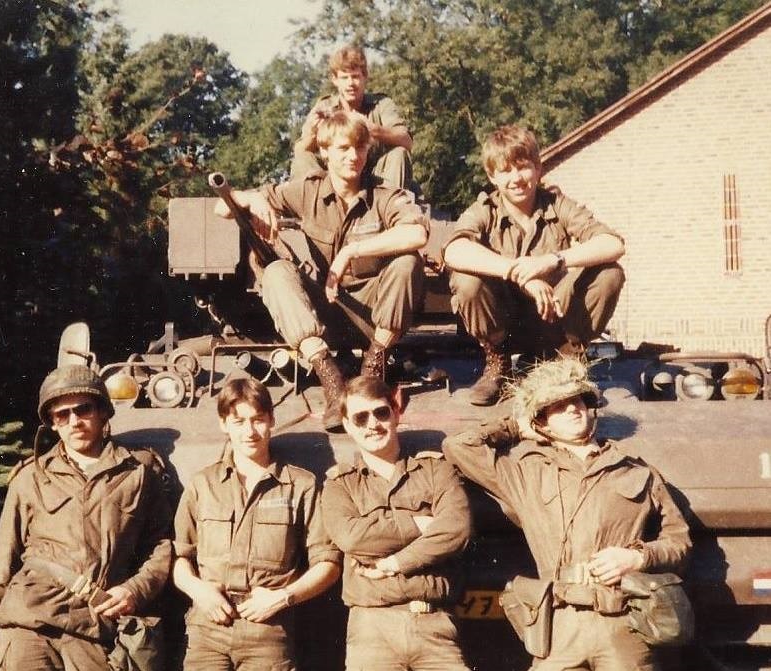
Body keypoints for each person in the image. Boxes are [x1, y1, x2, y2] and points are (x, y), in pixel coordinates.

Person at [443, 358, 692, 671]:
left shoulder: (635, 471)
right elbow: (459, 446)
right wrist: (516, 426)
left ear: (591, 409)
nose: (573, 409)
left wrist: (638, 557)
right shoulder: (527, 474)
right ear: (542, 422)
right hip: (559, 626)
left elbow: (678, 540)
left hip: (623, 622)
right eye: (558, 407)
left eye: (578, 401)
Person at [215, 110, 427, 431]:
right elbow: (222, 206)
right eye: (343, 148)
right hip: (323, 316)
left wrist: (351, 251)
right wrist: (254, 200)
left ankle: (372, 372)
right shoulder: (308, 190)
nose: (353, 156)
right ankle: (331, 380)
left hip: (374, 318)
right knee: (276, 271)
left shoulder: (384, 194)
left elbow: (417, 234)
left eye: (360, 147)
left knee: (407, 262)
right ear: (324, 151)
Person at [0, 365, 173, 671]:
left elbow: (160, 547)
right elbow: (0, 567)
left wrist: (133, 590)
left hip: (95, 624)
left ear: (103, 412)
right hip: (27, 624)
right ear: (52, 423)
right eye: (62, 415)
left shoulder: (137, 471)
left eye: (83, 409)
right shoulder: (31, 477)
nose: (74, 421)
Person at [172, 378, 342, 671]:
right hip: (208, 626)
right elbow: (180, 557)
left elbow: (328, 564)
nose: (249, 432)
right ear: (224, 424)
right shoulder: (203, 484)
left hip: (268, 629)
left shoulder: (300, 486)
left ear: (271, 420)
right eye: (238, 421)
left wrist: (283, 597)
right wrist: (198, 590)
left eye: (258, 420)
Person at [443, 124, 626, 405]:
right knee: (467, 280)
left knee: (610, 273)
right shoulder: (485, 211)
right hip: (505, 325)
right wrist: (518, 273)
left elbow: (613, 244)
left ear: (538, 169)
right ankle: (498, 364)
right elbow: (454, 251)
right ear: (492, 177)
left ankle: (568, 358)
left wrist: (552, 260)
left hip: (555, 318)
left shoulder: (557, 205)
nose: (516, 178)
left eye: (523, 167)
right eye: (505, 170)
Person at [322, 376, 481, 671]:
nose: (373, 424)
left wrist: (393, 563)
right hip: (372, 630)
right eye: (360, 417)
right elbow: (352, 537)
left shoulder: (435, 469)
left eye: (381, 412)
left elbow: (456, 529)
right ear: (347, 425)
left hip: (435, 625)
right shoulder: (341, 484)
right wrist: (418, 523)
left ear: (396, 412)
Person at [291, 44, 414, 189]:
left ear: (365, 76)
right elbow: (299, 151)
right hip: (336, 182)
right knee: (302, 159)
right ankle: (318, 202)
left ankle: (390, 202)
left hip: (377, 180)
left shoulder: (381, 104)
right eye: (344, 78)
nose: (350, 84)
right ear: (335, 79)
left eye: (355, 77)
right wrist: (314, 133)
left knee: (399, 153)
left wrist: (373, 129)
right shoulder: (324, 106)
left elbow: (407, 141)